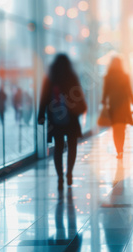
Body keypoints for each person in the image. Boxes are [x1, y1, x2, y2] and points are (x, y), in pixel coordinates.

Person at [38, 54, 87, 186]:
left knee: (58, 147)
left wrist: (41, 116)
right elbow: (79, 96)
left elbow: (44, 99)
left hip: (55, 120)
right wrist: (82, 108)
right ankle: (69, 172)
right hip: (71, 119)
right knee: (72, 146)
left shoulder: (49, 79)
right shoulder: (72, 78)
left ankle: (60, 176)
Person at [102, 57, 133, 159]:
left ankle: (118, 150)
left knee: (116, 129)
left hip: (113, 105)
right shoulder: (125, 76)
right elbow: (129, 90)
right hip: (124, 105)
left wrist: (103, 101)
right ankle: (121, 149)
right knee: (122, 128)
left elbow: (106, 91)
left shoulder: (108, 77)